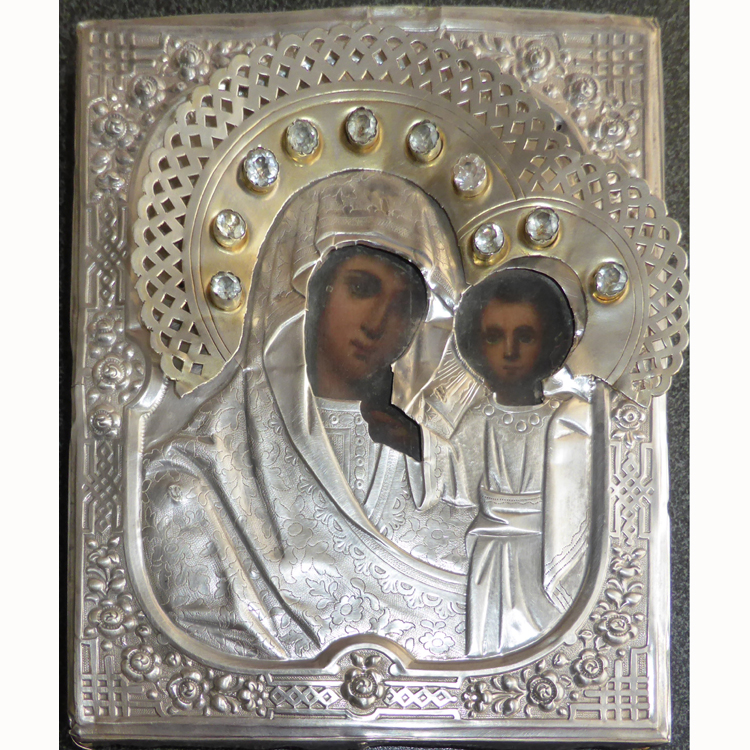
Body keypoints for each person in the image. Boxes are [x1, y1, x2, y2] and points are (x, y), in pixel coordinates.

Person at [141, 171, 476, 660]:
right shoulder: (202, 471)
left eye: (403, 306)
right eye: (361, 288)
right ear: (311, 293)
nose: (377, 322)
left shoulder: (437, 459)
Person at [424, 268, 595, 656]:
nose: (510, 351)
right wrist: (410, 437)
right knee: (492, 652)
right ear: (476, 345)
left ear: (550, 343)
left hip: (549, 553)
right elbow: (449, 478)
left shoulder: (567, 421)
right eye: (494, 336)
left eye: (525, 336)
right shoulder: (477, 421)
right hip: (491, 558)